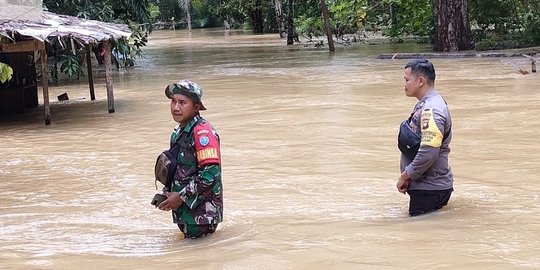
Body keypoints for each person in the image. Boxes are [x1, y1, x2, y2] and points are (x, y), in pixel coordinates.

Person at [157, 80, 223, 238]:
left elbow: (210, 175)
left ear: (196, 106)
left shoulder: (203, 134)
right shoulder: (179, 132)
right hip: (186, 213)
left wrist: (180, 197)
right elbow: (180, 170)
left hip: (201, 216)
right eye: (173, 101)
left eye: (182, 102)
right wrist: (168, 194)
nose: (176, 107)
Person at [396, 59, 453, 216]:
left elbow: (429, 151)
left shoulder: (432, 109)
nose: (404, 84)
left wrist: (406, 174)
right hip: (430, 188)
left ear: (420, 81)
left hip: (429, 190)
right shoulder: (428, 103)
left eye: (407, 80)